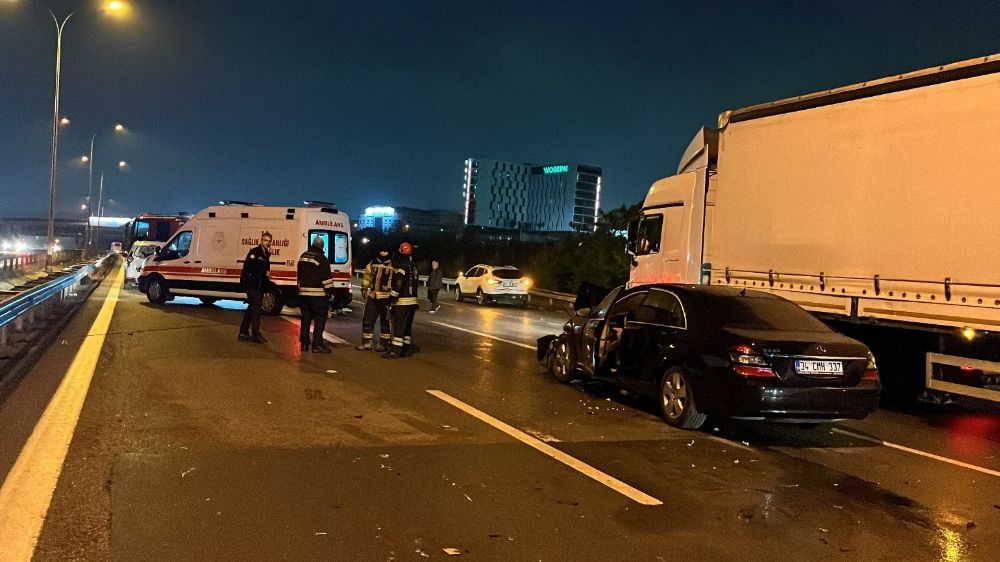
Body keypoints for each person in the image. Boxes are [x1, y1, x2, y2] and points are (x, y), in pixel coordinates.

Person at [297, 236, 335, 353]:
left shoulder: (303, 256)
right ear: (322, 246)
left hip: (303, 293)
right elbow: (326, 279)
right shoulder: (321, 258)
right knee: (320, 317)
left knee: (306, 318)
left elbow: (299, 274)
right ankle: (317, 344)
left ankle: (304, 343)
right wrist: (331, 293)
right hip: (317, 295)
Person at [383, 242, 419, 359]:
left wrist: (390, 298)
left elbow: (398, 285)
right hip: (413, 302)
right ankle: (406, 349)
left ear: (400, 253)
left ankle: (396, 351)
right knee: (407, 328)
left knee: (398, 327)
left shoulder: (401, 267)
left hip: (402, 302)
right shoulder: (414, 266)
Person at [356, 247, 394, 351]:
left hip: (386, 297)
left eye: (385, 251)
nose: (383, 253)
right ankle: (367, 342)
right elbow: (367, 276)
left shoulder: (393, 265)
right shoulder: (372, 263)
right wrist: (364, 287)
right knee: (368, 319)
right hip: (373, 295)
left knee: (385, 321)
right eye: (381, 251)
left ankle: (384, 343)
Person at [239, 231, 272, 343]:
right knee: (257, 310)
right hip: (252, 285)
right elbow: (249, 268)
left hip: (259, 286)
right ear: (261, 241)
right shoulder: (255, 253)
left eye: (269, 241)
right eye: (265, 240)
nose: (267, 243)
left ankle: (243, 332)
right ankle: (255, 334)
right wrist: (264, 272)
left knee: (251, 308)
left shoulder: (266, 254)